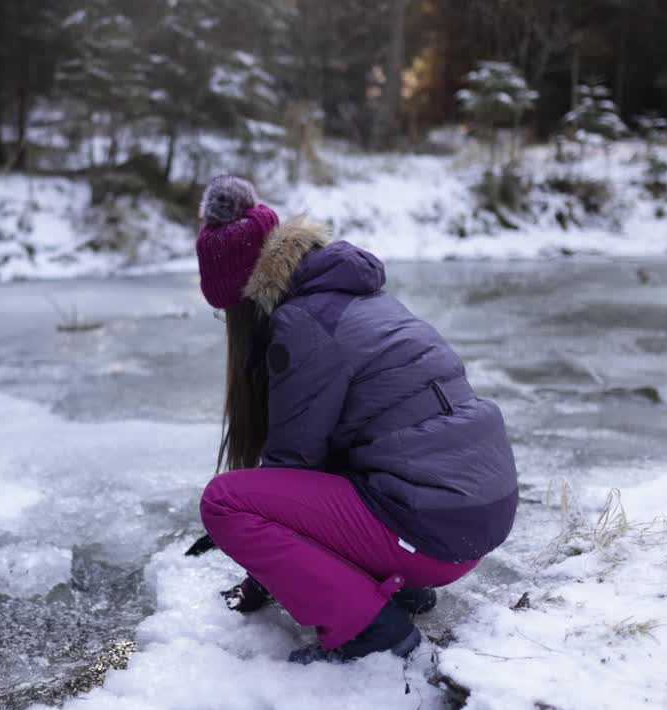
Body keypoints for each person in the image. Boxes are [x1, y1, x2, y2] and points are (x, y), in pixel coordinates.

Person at [193, 175, 519, 665]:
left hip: (431, 529)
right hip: (472, 518)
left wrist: (259, 569)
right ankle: (397, 589)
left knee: (224, 502)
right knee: (344, 466)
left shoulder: (303, 324)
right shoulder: (356, 297)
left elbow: (293, 466)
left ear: (243, 297)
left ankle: (370, 629)